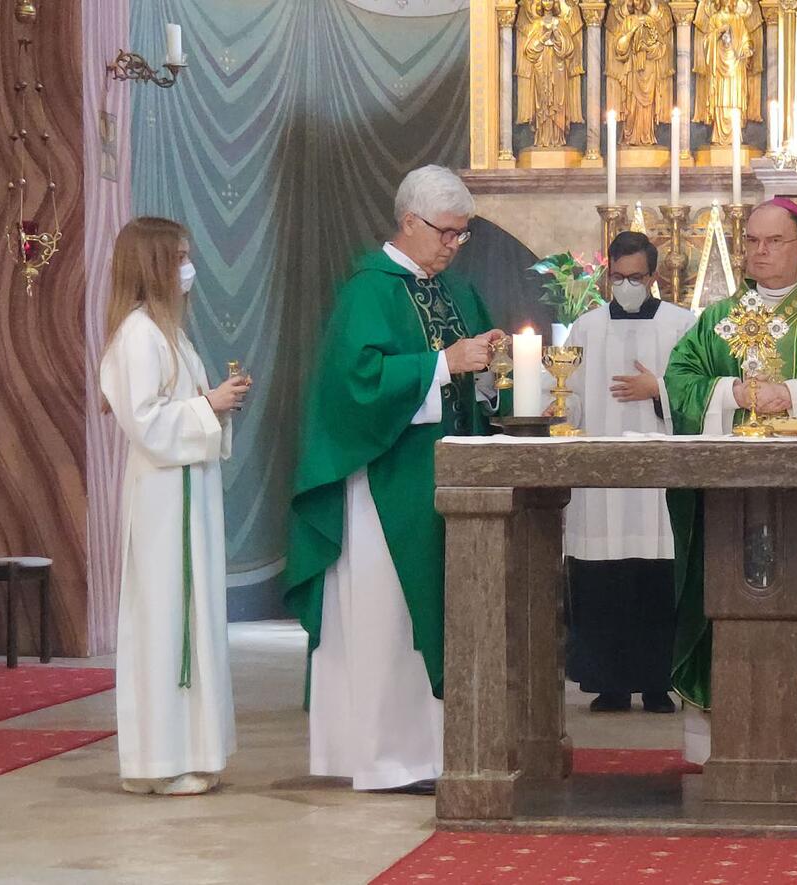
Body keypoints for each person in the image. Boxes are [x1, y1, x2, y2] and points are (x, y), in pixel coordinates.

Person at [284, 166, 503, 794]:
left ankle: (436, 751)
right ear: (410, 221)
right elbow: (353, 388)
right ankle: (385, 758)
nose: (455, 245)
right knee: (390, 617)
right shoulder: (369, 290)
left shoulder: (454, 292)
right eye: (448, 233)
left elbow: (473, 379)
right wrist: (441, 363)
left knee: (440, 610)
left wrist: (489, 367)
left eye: (464, 235)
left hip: (448, 477)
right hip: (386, 479)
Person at [664, 198, 797, 775]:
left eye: (773, 242)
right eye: (752, 242)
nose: (759, 252)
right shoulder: (717, 319)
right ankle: (726, 735)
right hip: (729, 500)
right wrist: (731, 394)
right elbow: (681, 377)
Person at [100, 217, 250, 795]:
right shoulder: (139, 333)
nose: (191, 265)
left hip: (187, 488)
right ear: (156, 263)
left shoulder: (171, 333)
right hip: (166, 496)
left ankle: (189, 753)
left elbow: (177, 409)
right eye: (181, 254)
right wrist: (207, 405)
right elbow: (146, 423)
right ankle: (159, 762)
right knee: (166, 619)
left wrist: (214, 406)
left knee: (190, 617)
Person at [563, 232, 695, 714]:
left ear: (653, 277)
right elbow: (570, 394)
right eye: (618, 278)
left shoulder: (682, 325)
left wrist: (657, 389)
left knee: (658, 578)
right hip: (600, 482)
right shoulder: (586, 328)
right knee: (603, 581)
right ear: (607, 277)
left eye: (636, 278)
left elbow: (697, 392)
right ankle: (609, 682)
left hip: (660, 478)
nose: (626, 286)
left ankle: (661, 683)